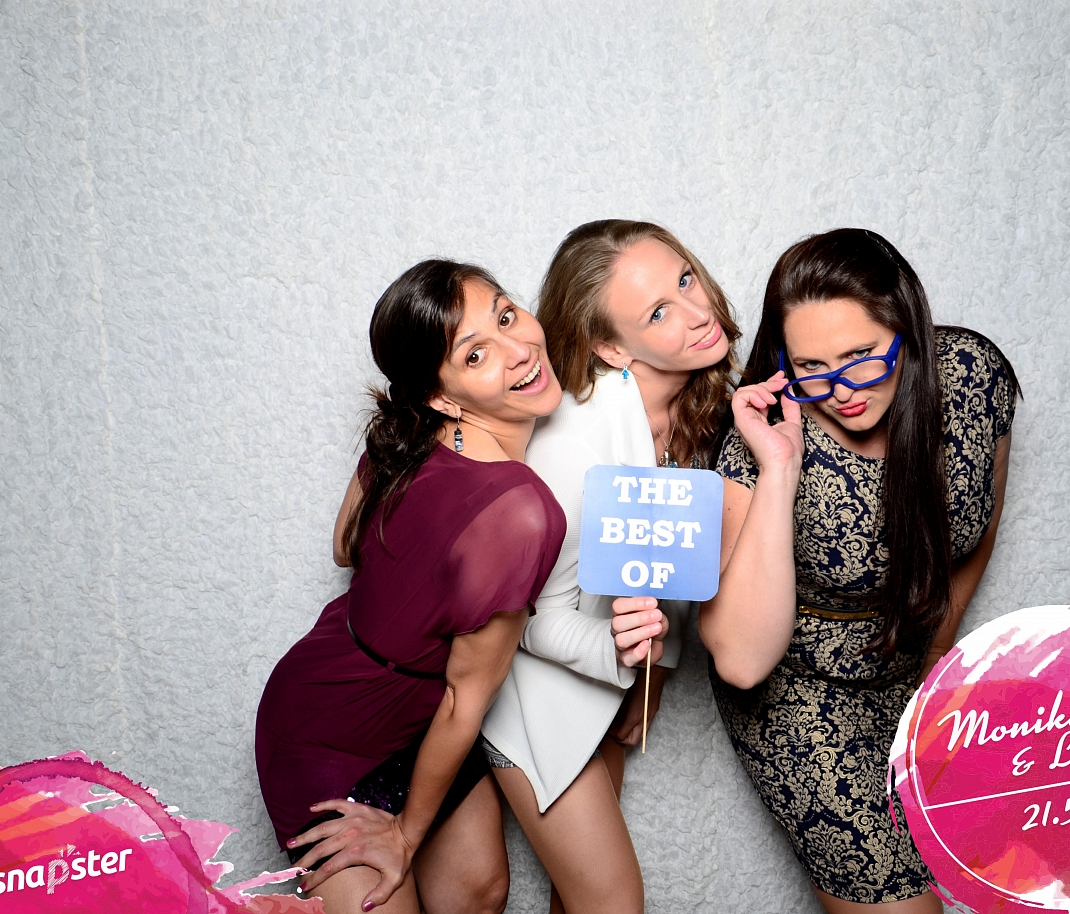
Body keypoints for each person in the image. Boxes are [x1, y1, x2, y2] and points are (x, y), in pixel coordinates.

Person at [700, 228, 1018, 913]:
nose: (841, 390)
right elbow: (741, 662)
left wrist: (938, 657)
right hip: (802, 695)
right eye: (810, 367)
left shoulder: (972, 378)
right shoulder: (756, 446)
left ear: (907, 328)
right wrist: (780, 467)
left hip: (913, 671)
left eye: (861, 358)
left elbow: (974, 524)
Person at [255, 259, 568, 914]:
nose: (518, 349)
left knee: (478, 892)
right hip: (329, 732)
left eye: (506, 315)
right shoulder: (522, 512)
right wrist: (403, 836)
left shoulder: (413, 434)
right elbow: (464, 695)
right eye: (476, 354)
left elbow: (345, 547)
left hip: (424, 723)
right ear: (444, 398)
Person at [480, 219, 741, 914]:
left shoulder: (698, 413)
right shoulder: (575, 439)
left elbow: (666, 568)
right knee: (612, 902)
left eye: (685, 280)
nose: (697, 312)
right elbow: (522, 620)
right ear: (610, 347)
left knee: (579, 902)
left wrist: (654, 676)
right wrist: (626, 660)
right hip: (529, 699)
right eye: (658, 312)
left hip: (604, 689)